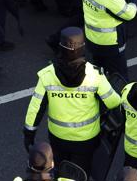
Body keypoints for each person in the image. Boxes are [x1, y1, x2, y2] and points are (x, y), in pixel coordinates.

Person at [23, 27, 122, 171]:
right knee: (81, 173)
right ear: (82, 47)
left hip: (58, 137)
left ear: (60, 47)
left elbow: (36, 108)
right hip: (86, 139)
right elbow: (114, 102)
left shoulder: (47, 75)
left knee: (59, 171)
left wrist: (29, 133)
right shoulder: (95, 75)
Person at [81, 0, 137, 79]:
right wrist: (134, 1)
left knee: (98, 73)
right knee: (119, 75)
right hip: (110, 43)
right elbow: (129, 14)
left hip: (92, 38)